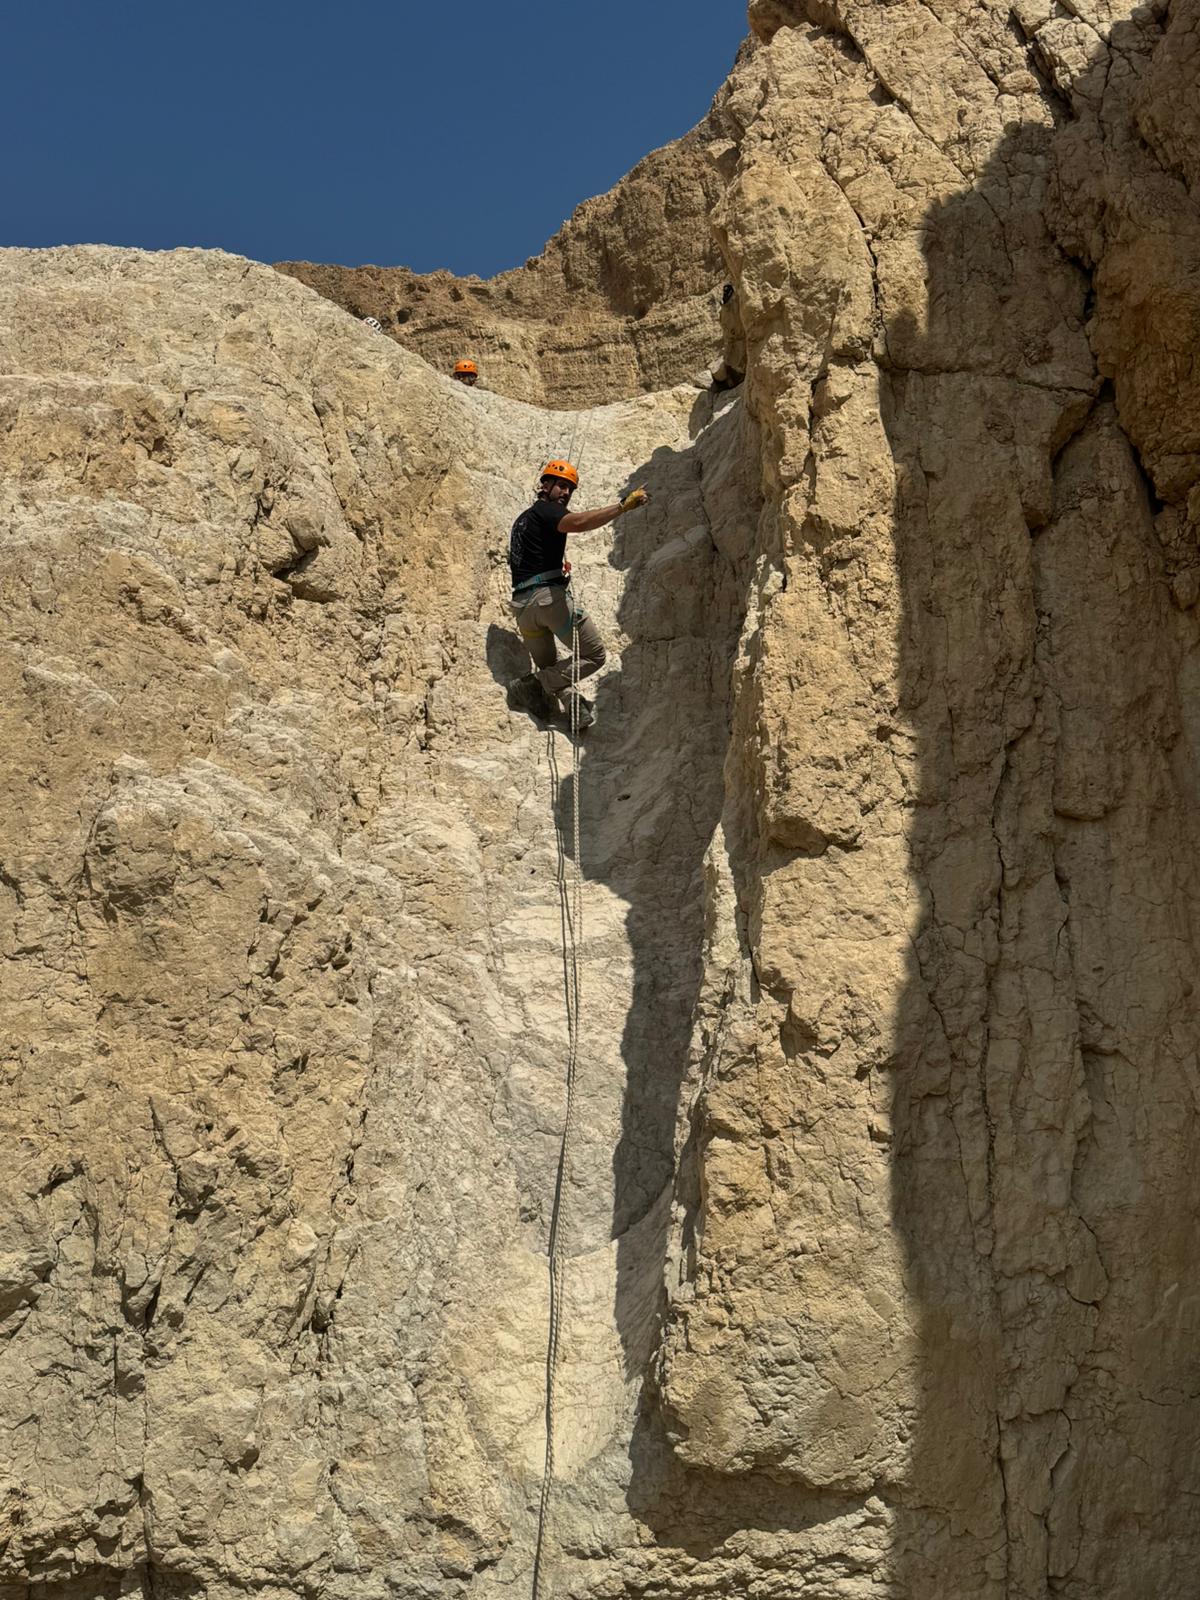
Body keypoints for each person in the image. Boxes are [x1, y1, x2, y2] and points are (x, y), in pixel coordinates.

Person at [507, 459, 648, 728]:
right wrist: (622, 506)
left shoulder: (522, 521)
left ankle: (573, 706)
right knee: (594, 655)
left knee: (553, 668)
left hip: (523, 608)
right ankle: (531, 685)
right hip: (547, 601)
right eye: (561, 485)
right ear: (544, 485)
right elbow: (580, 522)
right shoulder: (547, 511)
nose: (566, 492)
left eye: (570, 489)